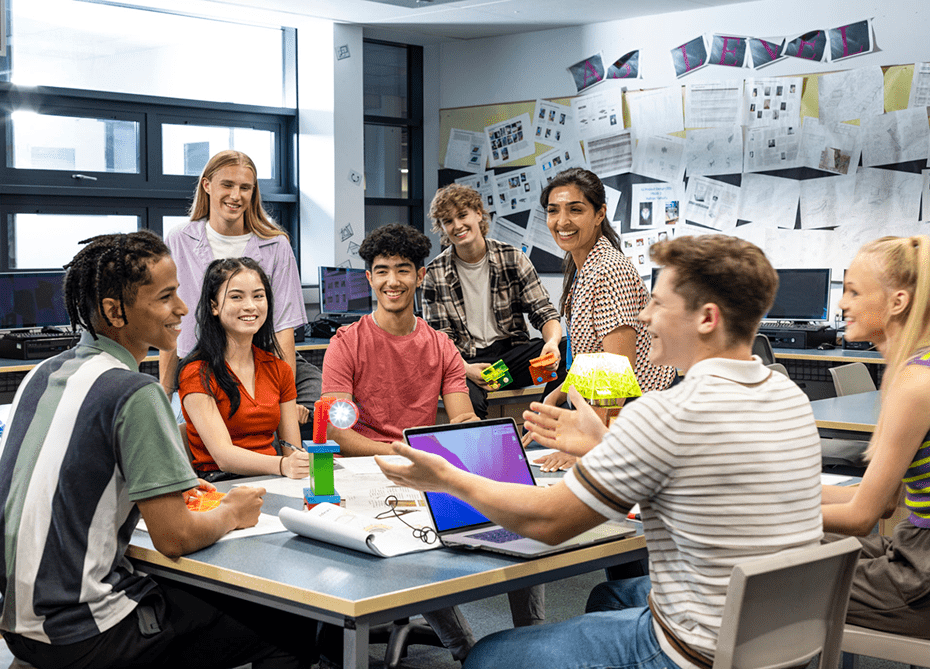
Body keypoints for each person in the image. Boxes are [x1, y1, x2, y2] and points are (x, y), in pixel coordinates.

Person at [376, 234, 824, 669]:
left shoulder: (667, 413)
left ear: (707, 318)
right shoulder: (788, 396)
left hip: (694, 651)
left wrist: (448, 478)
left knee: (488, 656)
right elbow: (701, 467)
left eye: (658, 303)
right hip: (781, 638)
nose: (644, 316)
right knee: (609, 597)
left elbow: (546, 522)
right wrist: (607, 444)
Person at [0, 231, 315, 668]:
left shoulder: (41, 374)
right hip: (90, 629)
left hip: (20, 625)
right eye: (166, 297)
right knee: (290, 626)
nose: (182, 309)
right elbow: (174, 538)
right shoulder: (135, 392)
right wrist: (232, 512)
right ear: (114, 310)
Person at [320, 223, 540, 664]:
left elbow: (459, 414)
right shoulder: (346, 344)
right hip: (369, 474)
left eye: (403, 270)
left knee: (514, 513)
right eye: (381, 271)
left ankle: (532, 643)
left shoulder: (440, 345)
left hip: (425, 470)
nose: (392, 281)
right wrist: (409, 454)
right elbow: (338, 434)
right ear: (369, 278)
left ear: (420, 277)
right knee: (421, 536)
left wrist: (481, 438)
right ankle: (464, 650)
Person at [161, 150, 321, 427]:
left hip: (262, 363)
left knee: (312, 409)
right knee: (179, 431)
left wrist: (285, 399)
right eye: (227, 185)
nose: (236, 195)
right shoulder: (179, 239)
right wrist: (165, 392)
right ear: (207, 185)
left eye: (245, 187)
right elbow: (170, 321)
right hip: (200, 364)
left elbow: (283, 327)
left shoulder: (276, 244)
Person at [822, 235, 930, 639]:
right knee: (789, 546)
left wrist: (752, 516)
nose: (842, 304)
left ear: (897, 302)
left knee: (762, 579)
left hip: (919, 577)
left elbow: (861, 518)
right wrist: (781, 494)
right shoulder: (916, 368)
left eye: (852, 290)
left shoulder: (915, 382)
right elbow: (884, 502)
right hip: (914, 550)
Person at [538, 168, 676, 471]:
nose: (562, 222)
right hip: (609, 411)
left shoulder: (608, 269)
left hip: (636, 414)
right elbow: (594, 357)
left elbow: (616, 370)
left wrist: (588, 446)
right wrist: (557, 395)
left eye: (576, 210)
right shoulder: (584, 266)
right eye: (553, 211)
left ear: (600, 214)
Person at [423, 183, 565, 420]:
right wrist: (466, 369)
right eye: (448, 221)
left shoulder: (512, 257)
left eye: (462, 215)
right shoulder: (434, 274)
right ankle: (482, 454)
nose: (457, 225)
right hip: (464, 361)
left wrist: (551, 342)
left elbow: (543, 312)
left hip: (510, 358)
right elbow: (440, 341)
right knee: (470, 402)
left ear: (478, 213)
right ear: (442, 228)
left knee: (565, 351)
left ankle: (540, 424)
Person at [177, 258, 310, 481]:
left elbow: (291, 449)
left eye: (258, 296)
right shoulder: (196, 372)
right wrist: (282, 465)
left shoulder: (279, 369)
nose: (250, 306)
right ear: (214, 306)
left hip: (274, 479)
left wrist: (300, 462)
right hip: (220, 484)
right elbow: (224, 456)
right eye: (236, 297)